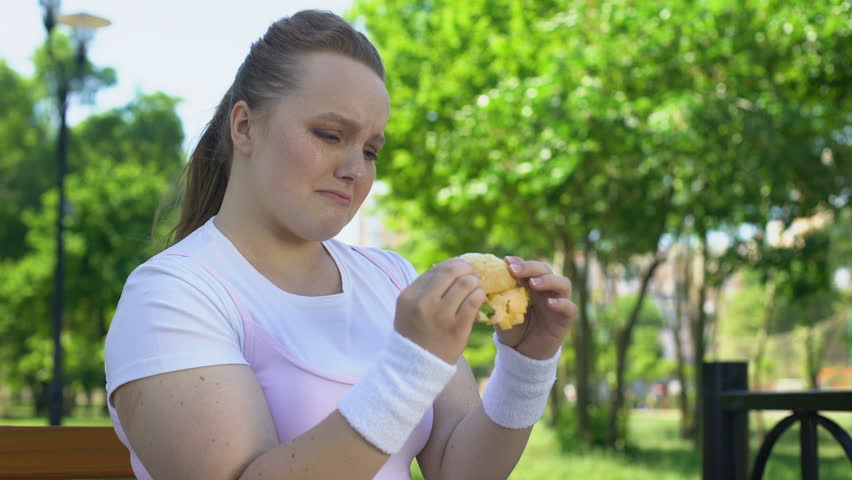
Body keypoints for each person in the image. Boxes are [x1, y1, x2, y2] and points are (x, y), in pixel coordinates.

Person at [104, 9, 576, 480]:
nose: (355, 168)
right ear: (244, 126)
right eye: (330, 135)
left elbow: (460, 472)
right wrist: (412, 366)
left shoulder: (393, 278)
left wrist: (526, 366)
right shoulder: (171, 296)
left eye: (371, 150)